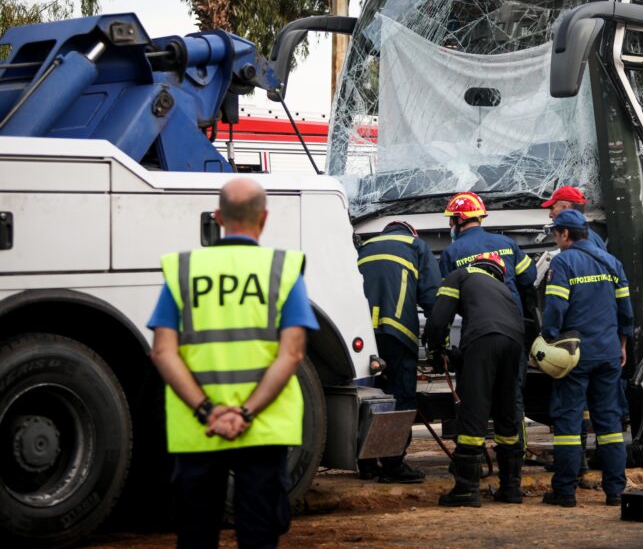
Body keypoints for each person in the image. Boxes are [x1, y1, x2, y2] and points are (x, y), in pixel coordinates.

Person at [148, 178, 319, 549]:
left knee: (196, 537)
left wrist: (208, 411)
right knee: (258, 536)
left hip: (199, 429)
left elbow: (162, 351)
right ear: (264, 218)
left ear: (218, 217)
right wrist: (245, 412)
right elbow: (292, 353)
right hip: (264, 428)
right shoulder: (282, 269)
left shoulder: (184, 269)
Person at [540, 210, 633, 507]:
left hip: (575, 355)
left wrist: (548, 339)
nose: (555, 237)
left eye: (555, 232)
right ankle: (615, 491)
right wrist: (622, 343)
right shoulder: (612, 262)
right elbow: (626, 310)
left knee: (569, 424)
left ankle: (565, 492)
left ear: (565, 234)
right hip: (608, 353)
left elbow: (555, 307)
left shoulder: (563, 262)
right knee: (610, 424)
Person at [423, 252, 526, 507]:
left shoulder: (461, 274)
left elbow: (439, 318)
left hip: (483, 339)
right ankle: (511, 488)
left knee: (474, 411)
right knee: (506, 413)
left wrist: (436, 349)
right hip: (514, 343)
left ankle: (466, 490)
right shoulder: (504, 290)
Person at [439, 191, 538, 453]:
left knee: (473, 396)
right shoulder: (507, 244)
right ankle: (517, 453)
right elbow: (529, 278)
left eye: (451, 220)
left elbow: (448, 299)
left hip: (477, 333)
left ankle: (472, 457)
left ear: (459, 220)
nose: (450, 225)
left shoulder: (451, 253)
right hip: (513, 332)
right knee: (513, 396)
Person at [356, 220, 441, 483]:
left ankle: (366, 463)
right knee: (400, 397)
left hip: (362, 335)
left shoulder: (365, 247)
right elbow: (432, 296)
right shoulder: (416, 246)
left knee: (368, 397)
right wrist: (438, 339)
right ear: (412, 232)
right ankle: (393, 464)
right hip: (398, 332)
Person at [540, 185, 607, 251]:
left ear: (565, 208)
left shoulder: (577, 242)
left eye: (553, 208)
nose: (550, 215)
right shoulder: (589, 236)